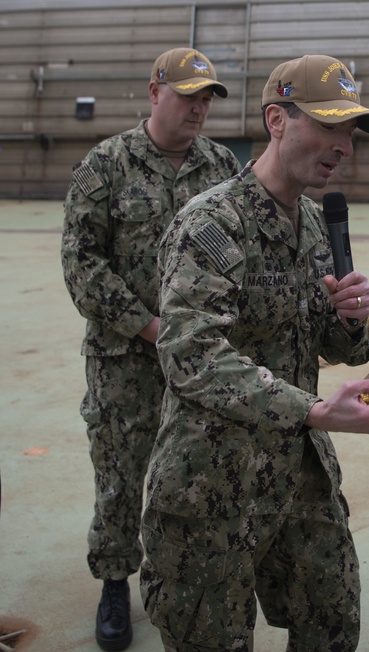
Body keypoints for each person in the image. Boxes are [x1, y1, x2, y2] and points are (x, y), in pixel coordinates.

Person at [138, 55, 369, 651]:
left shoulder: (316, 225)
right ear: (276, 120)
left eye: (350, 132)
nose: (344, 146)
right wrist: (315, 411)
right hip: (210, 484)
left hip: (299, 475)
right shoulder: (212, 223)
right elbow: (192, 355)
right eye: (330, 126)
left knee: (332, 625)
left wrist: (349, 320)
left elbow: (331, 346)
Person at [60, 47, 240, 651]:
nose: (198, 107)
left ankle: (193, 578)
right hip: (125, 360)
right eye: (187, 94)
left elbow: (243, 252)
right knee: (120, 471)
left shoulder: (222, 166)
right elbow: (82, 265)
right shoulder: (105, 166)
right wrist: (148, 327)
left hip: (203, 360)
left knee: (200, 472)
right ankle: (116, 579)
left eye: (207, 97)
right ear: (154, 92)